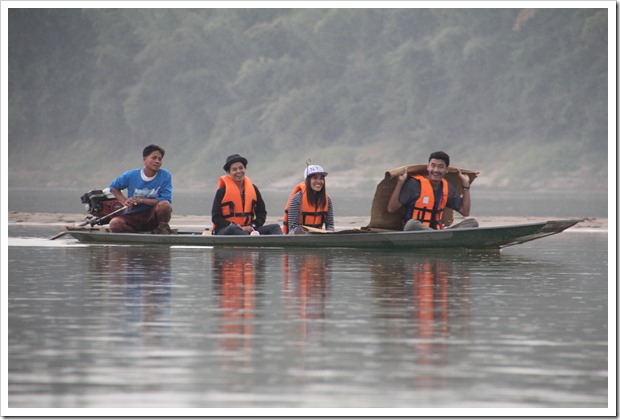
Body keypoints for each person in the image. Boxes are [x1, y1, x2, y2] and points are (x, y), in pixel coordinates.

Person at [387, 151, 478, 231]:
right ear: (428, 167)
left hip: (437, 231)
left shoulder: (447, 188)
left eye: (440, 167)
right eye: (433, 166)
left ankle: (438, 236)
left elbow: (465, 212)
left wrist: (466, 185)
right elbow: (391, 208)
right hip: (415, 231)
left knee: (472, 223)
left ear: (446, 170)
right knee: (412, 224)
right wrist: (400, 182)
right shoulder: (414, 184)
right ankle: (440, 236)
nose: (436, 170)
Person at [211, 154, 283, 235]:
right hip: (227, 230)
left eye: (241, 168)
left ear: (245, 169)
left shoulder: (253, 189)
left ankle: (284, 245)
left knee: (275, 227)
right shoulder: (222, 191)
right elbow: (216, 217)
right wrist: (236, 226)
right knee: (233, 229)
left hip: (249, 230)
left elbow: (261, 213)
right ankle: (251, 241)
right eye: (234, 169)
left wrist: (253, 226)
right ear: (229, 172)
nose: (238, 171)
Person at [108, 144, 173, 234]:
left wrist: (141, 200)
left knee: (165, 205)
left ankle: (161, 229)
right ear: (144, 159)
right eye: (154, 158)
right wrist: (124, 201)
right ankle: (136, 234)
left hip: (152, 215)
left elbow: (165, 199)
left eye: (160, 159)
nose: (157, 161)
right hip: (133, 214)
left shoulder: (165, 175)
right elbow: (113, 188)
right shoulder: (131, 175)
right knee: (115, 224)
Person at [283, 164, 335, 234]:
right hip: (300, 237)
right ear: (307, 180)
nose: (319, 181)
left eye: (321, 178)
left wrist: (329, 233)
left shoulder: (327, 200)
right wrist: (308, 232)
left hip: (318, 237)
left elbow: (330, 226)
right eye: (315, 178)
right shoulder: (297, 199)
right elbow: (292, 228)